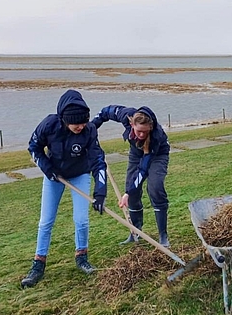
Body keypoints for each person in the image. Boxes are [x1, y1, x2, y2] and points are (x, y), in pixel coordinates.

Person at [21, 89, 107, 289]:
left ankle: (82, 257)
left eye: (83, 122)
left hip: (80, 174)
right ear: (64, 120)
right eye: (76, 123)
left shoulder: (89, 131)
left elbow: (98, 161)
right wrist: (47, 168)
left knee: (81, 219)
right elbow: (33, 147)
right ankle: (38, 264)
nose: (80, 126)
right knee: (46, 221)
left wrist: (100, 192)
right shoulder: (49, 125)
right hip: (54, 176)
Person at [91, 105, 171, 247]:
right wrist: (91, 129)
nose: (141, 135)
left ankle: (163, 236)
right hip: (136, 152)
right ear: (132, 124)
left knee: (155, 187)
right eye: (139, 131)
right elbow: (105, 112)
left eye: (144, 132)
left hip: (158, 154)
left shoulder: (155, 137)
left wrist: (127, 192)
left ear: (150, 128)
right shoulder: (126, 115)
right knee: (131, 187)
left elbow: (143, 170)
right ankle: (136, 232)